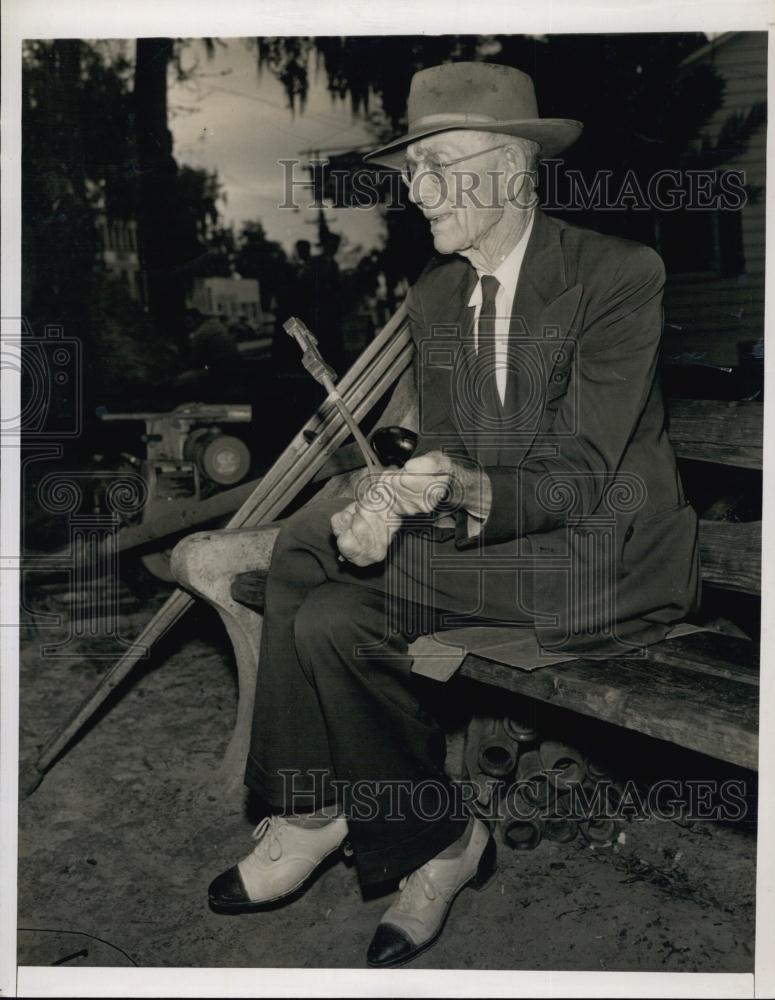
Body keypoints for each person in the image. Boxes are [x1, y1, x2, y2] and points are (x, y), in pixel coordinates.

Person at [207, 62, 700, 968]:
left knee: (319, 578)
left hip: (604, 558)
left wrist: (454, 491)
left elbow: (583, 473)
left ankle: (358, 821)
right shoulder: (436, 292)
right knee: (318, 584)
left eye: (440, 166)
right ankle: (392, 829)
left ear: (512, 171)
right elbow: (452, 448)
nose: (417, 192)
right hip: (500, 548)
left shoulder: (617, 275)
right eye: (410, 172)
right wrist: (401, 491)